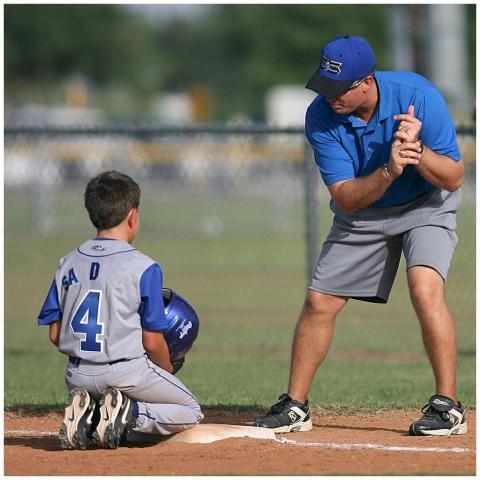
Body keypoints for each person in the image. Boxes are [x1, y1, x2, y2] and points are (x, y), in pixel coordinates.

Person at [255, 35, 467, 436]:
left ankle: (447, 408)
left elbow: (454, 179)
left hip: (425, 204)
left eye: (339, 90)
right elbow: (347, 199)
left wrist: (416, 153)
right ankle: (296, 406)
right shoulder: (321, 117)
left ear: (366, 82)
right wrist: (389, 170)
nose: (330, 97)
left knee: (425, 289)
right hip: (364, 212)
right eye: (325, 87)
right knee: (319, 301)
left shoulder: (418, 96)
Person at [38, 170, 204, 449]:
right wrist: (165, 370)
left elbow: (55, 335)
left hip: (76, 375)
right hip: (125, 372)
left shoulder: (66, 262)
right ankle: (128, 413)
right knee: (190, 409)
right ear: (132, 216)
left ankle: (91, 415)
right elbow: (151, 341)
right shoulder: (143, 267)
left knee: (110, 392)